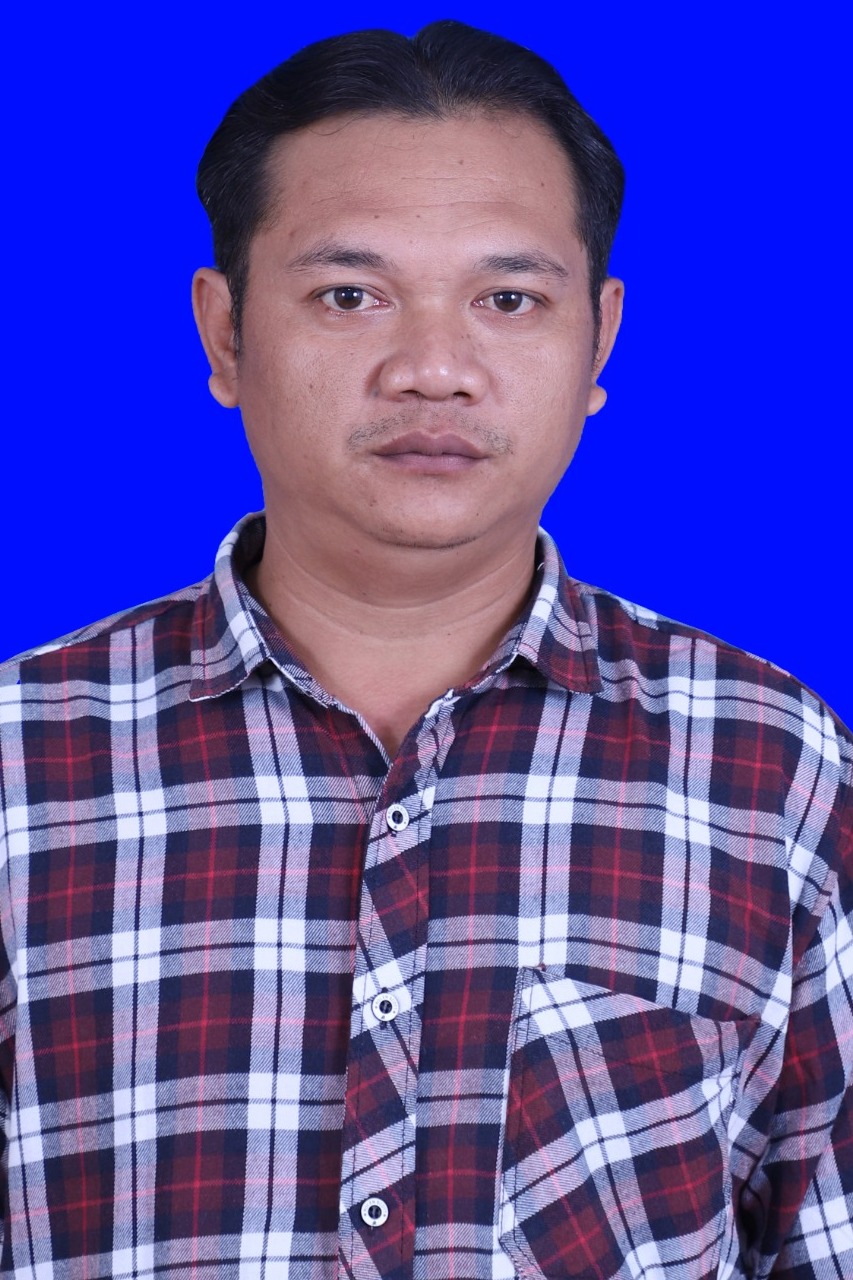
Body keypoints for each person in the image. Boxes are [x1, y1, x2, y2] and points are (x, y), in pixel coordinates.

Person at [0, 18, 850, 1279]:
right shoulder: (21, 761)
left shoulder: (766, 763)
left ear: (599, 338)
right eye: (350, 294)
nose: (434, 369)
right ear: (225, 333)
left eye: (508, 300)